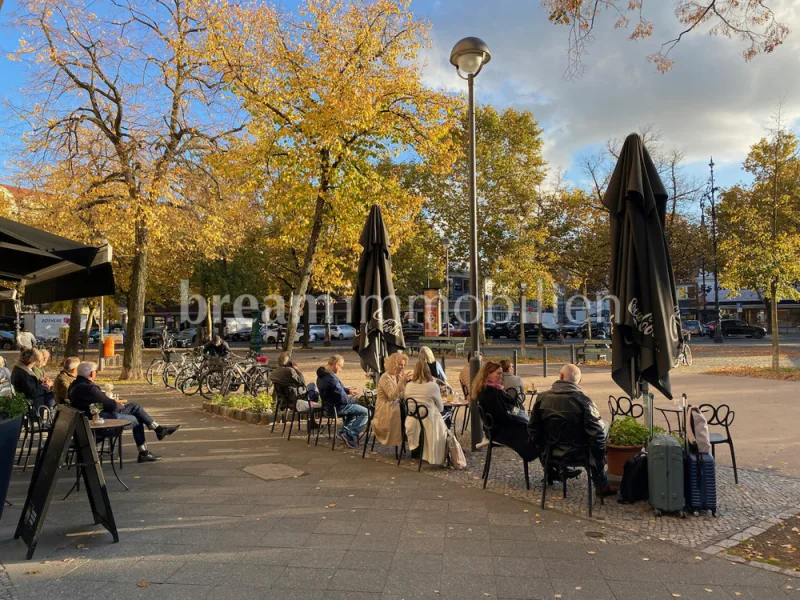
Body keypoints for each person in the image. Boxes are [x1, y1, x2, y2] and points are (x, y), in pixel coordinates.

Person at [528, 364, 618, 497]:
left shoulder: (542, 398)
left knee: (597, 435)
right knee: (601, 430)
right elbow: (597, 435)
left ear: (560, 376)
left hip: (551, 451)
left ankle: (551, 471)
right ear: (579, 381)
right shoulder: (584, 402)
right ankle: (600, 484)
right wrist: (600, 456)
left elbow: (533, 428)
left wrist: (543, 448)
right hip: (579, 452)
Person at [69, 362, 180, 462]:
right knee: (137, 419)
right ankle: (146, 449)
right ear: (92, 374)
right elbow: (110, 405)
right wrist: (118, 405)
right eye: (96, 372)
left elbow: (101, 403)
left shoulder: (74, 385)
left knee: (135, 407)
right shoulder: (89, 388)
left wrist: (115, 404)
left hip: (93, 417)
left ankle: (158, 430)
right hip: (102, 420)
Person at [472, 361, 538, 462]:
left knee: (534, 430)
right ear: (488, 374)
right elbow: (502, 415)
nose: (501, 376)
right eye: (498, 373)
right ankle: (544, 462)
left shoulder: (495, 389)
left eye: (501, 373)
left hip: (501, 426)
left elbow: (510, 407)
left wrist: (521, 414)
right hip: (499, 430)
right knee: (534, 433)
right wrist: (521, 421)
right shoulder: (489, 392)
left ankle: (547, 464)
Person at [316, 355, 368, 449]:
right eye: (341, 367)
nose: (341, 370)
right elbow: (344, 400)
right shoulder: (332, 379)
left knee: (353, 411)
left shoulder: (321, 376)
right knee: (366, 412)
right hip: (337, 408)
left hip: (327, 407)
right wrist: (356, 398)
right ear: (336, 365)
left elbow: (335, 390)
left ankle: (343, 432)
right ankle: (351, 435)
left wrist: (348, 391)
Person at [404, 360, 449, 466]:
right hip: (429, 419)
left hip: (413, 417)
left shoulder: (409, 385)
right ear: (428, 371)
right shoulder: (432, 386)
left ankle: (417, 451)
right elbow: (441, 407)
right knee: (446, 417)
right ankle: (443, 451)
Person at [270, 351, 318, 429]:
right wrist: (296, 369)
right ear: (288, 362)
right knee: (313, 388)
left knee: (311, 388)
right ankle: (311, 420)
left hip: (283, 400)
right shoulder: (290, 371)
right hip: (296, 399)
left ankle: (311, 420)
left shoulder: (275, 372)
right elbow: (302, 382)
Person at [372, 352, 409, 448]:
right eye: (400, 365)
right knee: (405, 412)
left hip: (394, 404)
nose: (402, 367)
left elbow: (402, 394)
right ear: (394, 364)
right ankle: (407, 437)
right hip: (385, 407)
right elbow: (392, 396)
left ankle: (411, 438)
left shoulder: (396, 376)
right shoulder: (385, 377)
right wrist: (401, 382)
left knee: (410, 411)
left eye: (404, 365)